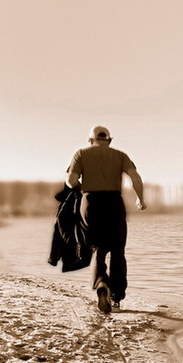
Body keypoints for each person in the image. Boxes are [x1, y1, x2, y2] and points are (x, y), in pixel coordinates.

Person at [66, 126, 146, 313]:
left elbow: (70, 180)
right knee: (118, 251)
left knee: (98, 249)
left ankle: (102, 283)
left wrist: (81, 189)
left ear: (90, 140)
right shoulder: (120, 155)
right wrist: (140, 199)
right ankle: (117, 297)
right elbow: (135, 177)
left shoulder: (81, 154)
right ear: (109, 140)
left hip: (90, 203)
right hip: (113, 203)